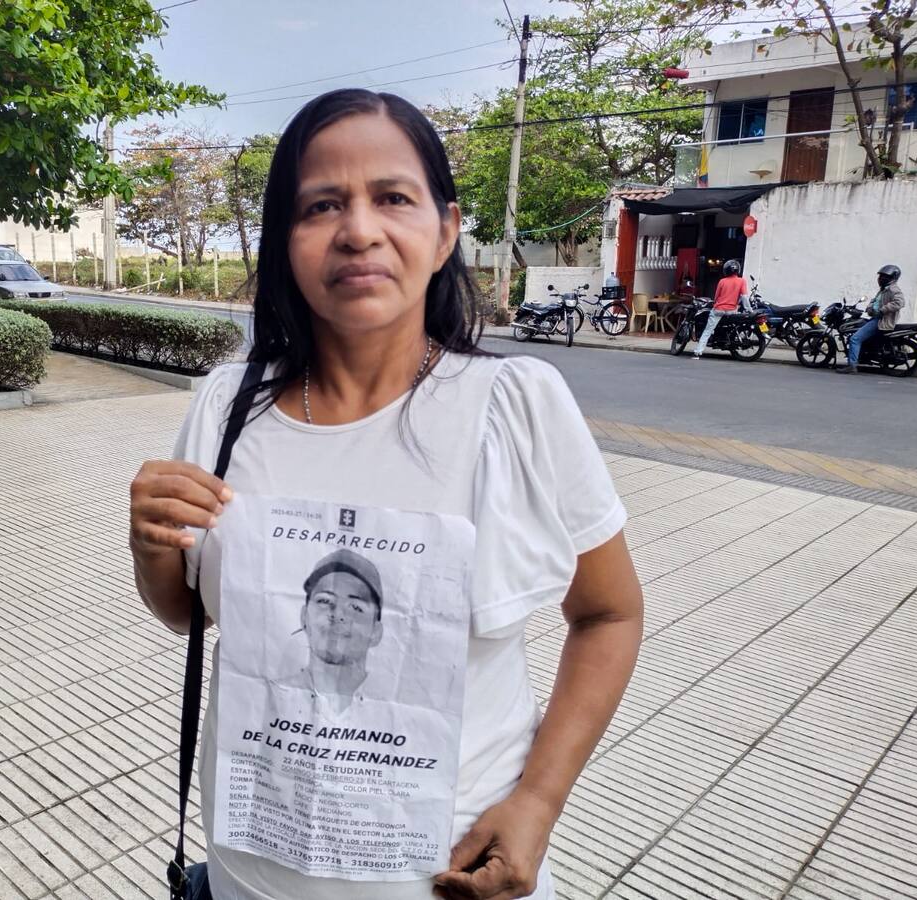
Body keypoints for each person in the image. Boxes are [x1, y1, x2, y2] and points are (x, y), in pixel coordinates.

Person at [130, 88, 644, 900]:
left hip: (447, 881)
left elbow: (608, 614)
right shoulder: (228, 407)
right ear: (284, 243)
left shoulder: (514, 407)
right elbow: (193, 613)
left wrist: (540, 802)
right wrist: (151, 547)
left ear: (444, 230)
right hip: (247, 877)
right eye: (321, 204)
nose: (359, 229)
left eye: (393, 198)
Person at [286, 549, 384, 714]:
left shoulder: (398, 712)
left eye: (355, 607)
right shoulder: (267, 698)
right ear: (304, 617)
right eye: (325, 600)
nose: (337, 614)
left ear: (376, 632)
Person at [838, 264, 905, 374]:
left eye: (884, 276)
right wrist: (869, 308)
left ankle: (852, 366)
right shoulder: (883, 290)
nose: (880, 279)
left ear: (892, 278)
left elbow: (899, 303)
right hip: (875, 318)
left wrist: (883, 309)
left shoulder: (893, 289)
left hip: (880, 320)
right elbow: (874, 301)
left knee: (855, 339)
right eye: (880, 276)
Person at [692, 258, 746, 359]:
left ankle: (698, 352)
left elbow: (716, 297)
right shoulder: (742, 281)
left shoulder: (722, 281)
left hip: (719, 309)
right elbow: (744, 297)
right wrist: (748, 309)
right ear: (738, 270)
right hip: (731, 311)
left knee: (708, 330)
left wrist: (715, 303)